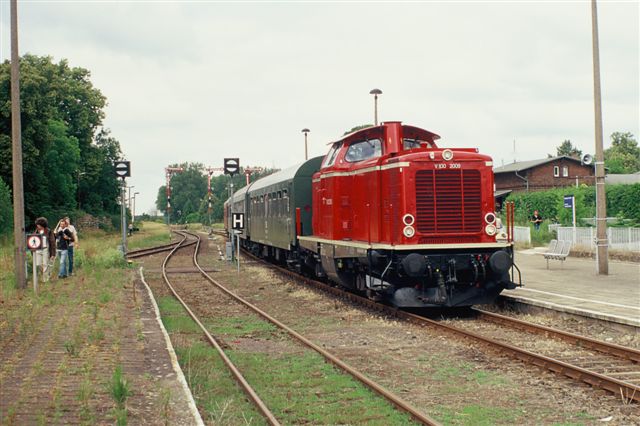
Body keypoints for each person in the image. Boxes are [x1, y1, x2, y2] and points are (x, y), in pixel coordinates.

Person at [35, 217, 56, 282]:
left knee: (45, 264)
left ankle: (45, 279)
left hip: (45, 249)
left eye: (38, 224)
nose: (37, 225)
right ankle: (45, 274)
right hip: (38, 250)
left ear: (42, 225)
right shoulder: (36, 231)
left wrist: (53, 254)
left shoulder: (49, 231)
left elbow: (52, 243)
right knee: (38, 264)